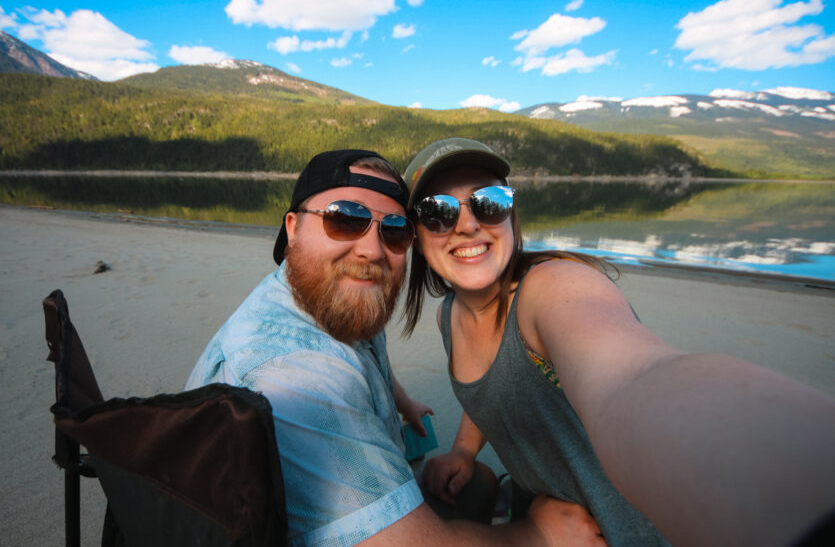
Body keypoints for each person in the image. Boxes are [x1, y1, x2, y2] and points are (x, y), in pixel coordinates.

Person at [402, 138, 835, 547]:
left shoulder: (552, 288)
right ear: (417, 238)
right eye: (437, 211)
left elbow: (635, 377)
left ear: (510, 214)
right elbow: (490, 390)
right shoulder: (450, 314)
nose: (469, 224)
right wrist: (463, 449)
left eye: (488, 202)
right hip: (547, 519)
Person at [185, 149, 605, 547]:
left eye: (394, 230)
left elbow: (361, 343)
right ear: (293, 228)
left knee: (475, 483)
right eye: (345, 219)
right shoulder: (291, 376)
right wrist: (538, 536)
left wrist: (402, 402)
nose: (372, 250)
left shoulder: (323, 294)